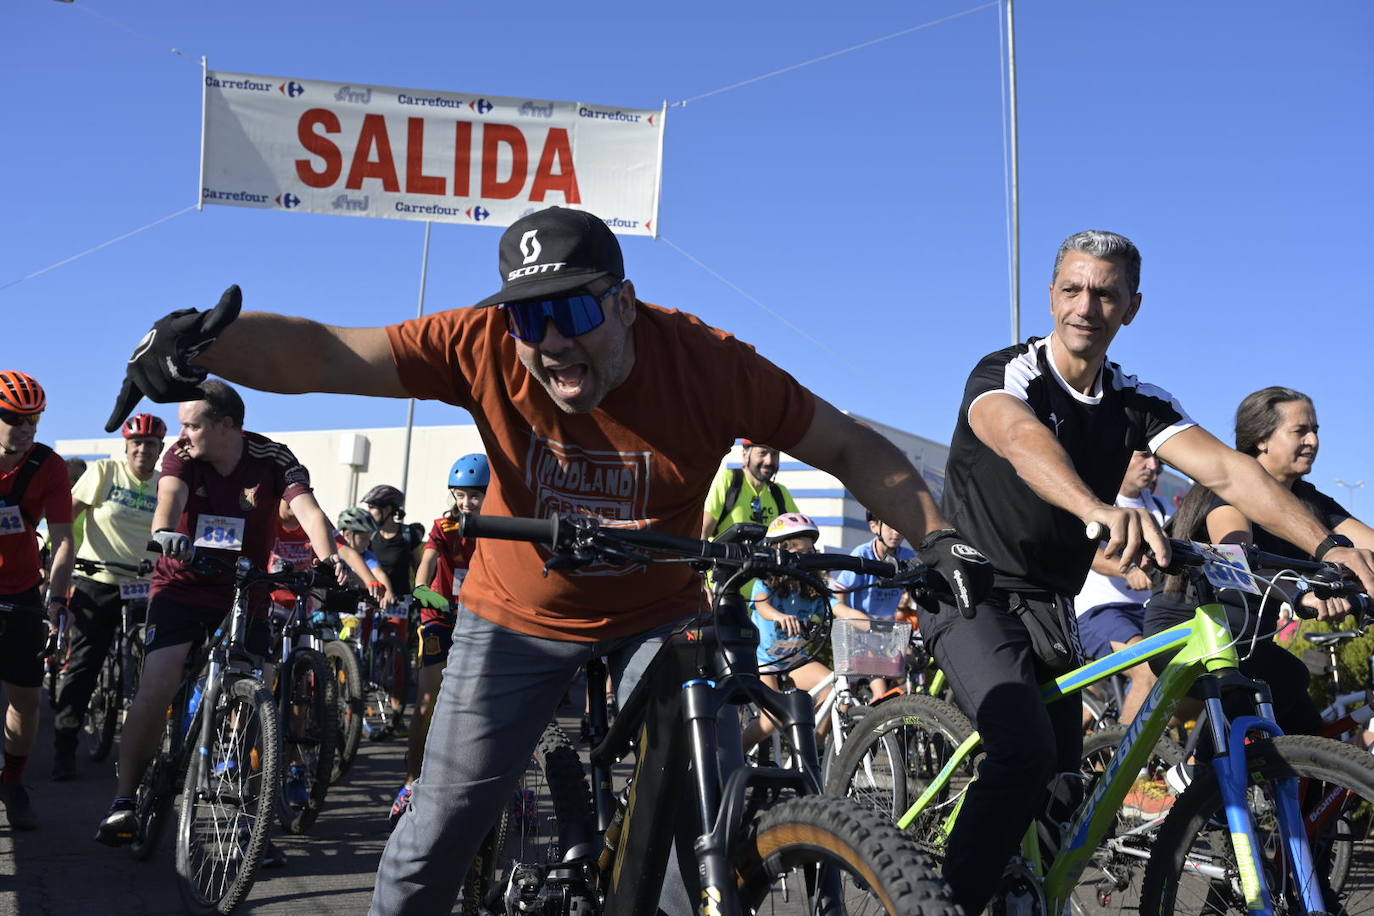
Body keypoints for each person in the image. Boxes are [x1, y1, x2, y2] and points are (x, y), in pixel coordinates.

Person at [102, 205, 992, 915]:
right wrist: (201, 347)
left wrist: (939, 537)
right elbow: (334, 351)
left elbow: (846, 445)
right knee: (442, 825)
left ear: (625, 302)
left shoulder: (709, 365)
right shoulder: (483, 344)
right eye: (531, 316)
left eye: (575, 311)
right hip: (515, 615)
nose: (552, 340)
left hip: (660, 613)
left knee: (704, 814)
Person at [928, 229, 1374, 915]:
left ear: (1132, 307)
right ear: (1051, 295)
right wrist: (1094, 507)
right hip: (971, 590)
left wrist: (1327, 547)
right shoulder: (1008, 372)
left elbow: (1230, 472)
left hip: (1050, 603)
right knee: (1022, 754)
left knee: (1062, 788)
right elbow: (1018, 437)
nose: (1086, 306)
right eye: (1073, 289)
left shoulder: (1138, 401)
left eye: (1106, 294)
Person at [95, 381, 346, 868]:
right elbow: (169, 499)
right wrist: (165, 532)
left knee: (260, 700)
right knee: (159, 683)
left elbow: (308, 509)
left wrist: (328, 557)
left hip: (244, 589)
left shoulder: (272, 457)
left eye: (192, 424)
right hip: (183, 585)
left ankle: (251, 818)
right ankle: (124, 801)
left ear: (226, 425)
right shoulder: (183, 455)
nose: (182, 434)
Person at [1146, 387, 1374, 744]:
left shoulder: (1309, 502)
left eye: (1316, 430)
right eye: (1300, 431)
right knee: (1285, 678)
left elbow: (1367, 546)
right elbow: (1235, 564)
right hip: (1189, 630)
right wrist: (1301, 593)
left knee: (1310, 739)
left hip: (1247, 641)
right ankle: (1201, 771)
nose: (1313, 441)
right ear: (1262, 439)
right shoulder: (1229, 496)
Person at [51, 413, 166, 781]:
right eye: (137, 443)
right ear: (126, 446)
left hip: (146, 586)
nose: (143, 449)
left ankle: (150, 751)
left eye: (150, 444)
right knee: (85, 663)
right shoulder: (105, 472)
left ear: (160, 448)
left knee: (157, 666)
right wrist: (56, 553)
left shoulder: (165, 485)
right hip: (98, 579)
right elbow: (65, 516)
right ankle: (65, 745)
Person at [390, 453, 486, 828]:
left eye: (474, 496)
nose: (466, 503)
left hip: (482, 619)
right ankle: (411, 782)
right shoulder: (445, 526)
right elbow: (428, 560)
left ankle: (507, 788)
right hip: (441, 617)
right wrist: (422, 588)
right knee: (427, 701)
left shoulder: (500, 528)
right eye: (460, 495)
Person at [0, 371, 74, 829]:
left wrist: (57, 600)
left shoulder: (49, 465)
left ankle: (12, 781)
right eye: (15, 418)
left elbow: (63, 539)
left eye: (35, 419)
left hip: (22, 590)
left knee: (27, 699)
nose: (26, 428)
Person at [1073, 449, 1170, 726]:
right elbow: (1086, 554)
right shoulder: (1098, 502)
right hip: (1100, 611)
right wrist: (1127, 569)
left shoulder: (1163, 508)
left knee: (1190, 673)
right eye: (1144, 456)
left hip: (1149, 610)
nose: (1153, 465)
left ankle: (1165, 746)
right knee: (1148, 670)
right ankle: (1124, 753)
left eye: (1158, 460)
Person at [740, 513, 837, 751]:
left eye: (809, 552)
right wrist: (779, 616)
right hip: (765, 660)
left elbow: (838, 608)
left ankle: (813, 746)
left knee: (834, 688)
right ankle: (733, 756)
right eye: (797, 553)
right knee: (772, 718)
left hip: (794, 659)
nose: (804, 559)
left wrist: (870, 624)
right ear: (779, 553)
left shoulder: (812, 586)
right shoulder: (765, 582)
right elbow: (762, 606)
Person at [830, 510, 918, 697]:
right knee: (847, 695)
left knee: (901, 682)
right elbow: (840, 594)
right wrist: (849, 622)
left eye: (900, 527)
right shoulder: (862, 554)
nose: (896, 533)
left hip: (886, 632)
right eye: (890, 527)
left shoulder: (908, 556)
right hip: (859, 631)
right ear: (874, 527)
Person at [362, 484, 425, 595]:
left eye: (372, 507)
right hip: (374, 598)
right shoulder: (370, 536)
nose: (368, 512)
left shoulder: (408, 534)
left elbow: (419, 567)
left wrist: (421, 592)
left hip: (402, 600)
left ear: (387, 509)